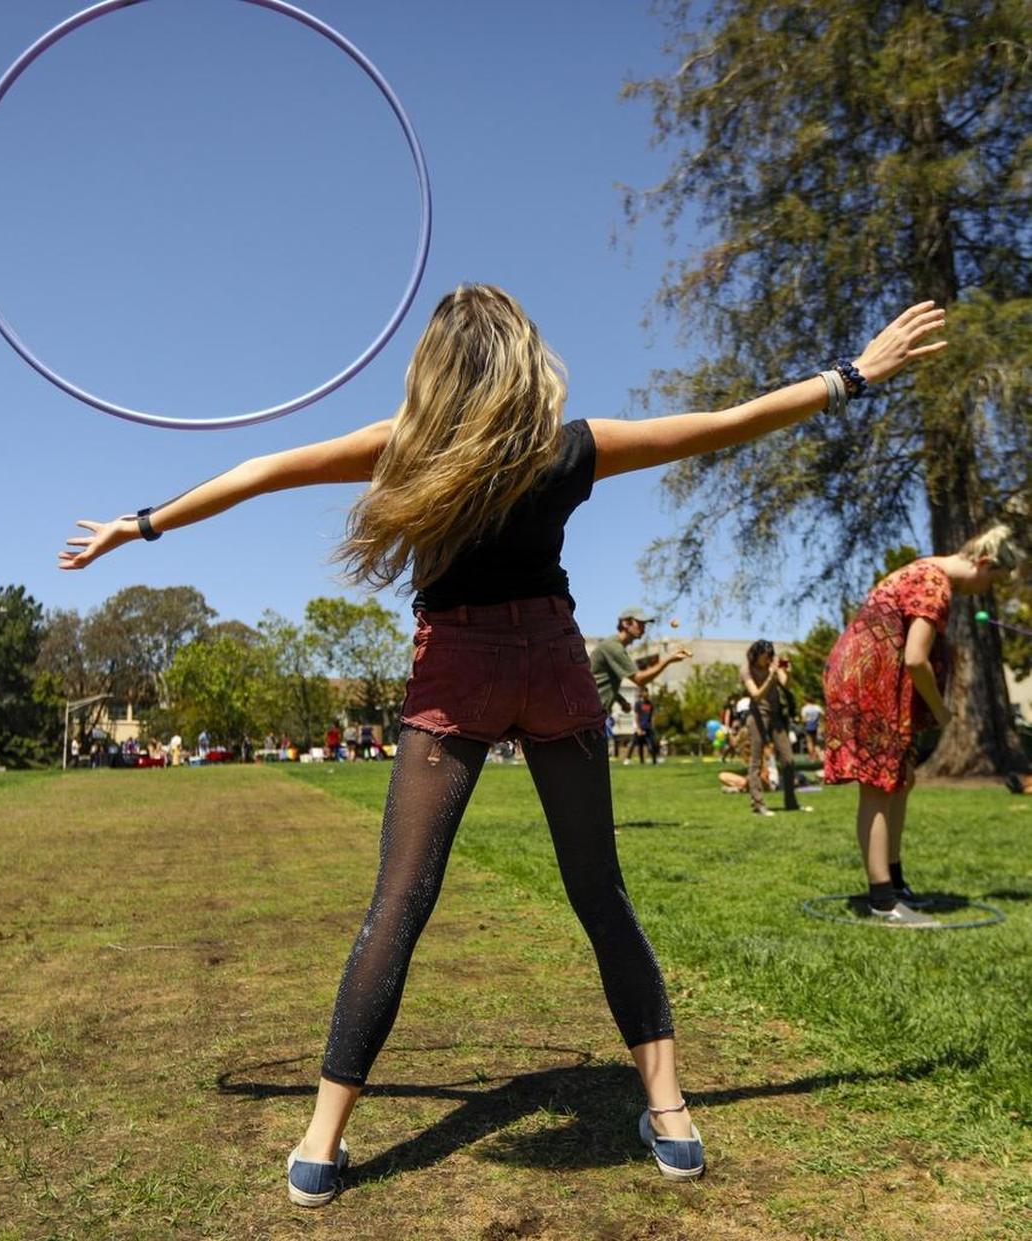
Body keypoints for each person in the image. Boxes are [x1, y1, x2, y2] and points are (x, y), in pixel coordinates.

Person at [58, 285, 946, 1204]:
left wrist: (144, 522)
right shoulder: (566, 448)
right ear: (523, 357)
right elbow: (729, 422)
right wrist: (850, 374)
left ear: (434, 368)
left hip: (459, 665)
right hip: (552, 659)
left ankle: (322, 1139)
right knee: (600, 890)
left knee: (399, 900)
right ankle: (671, 1112)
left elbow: (261, 469)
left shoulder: (409, 447)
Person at [824, 526, 1021, 926]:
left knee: (902, 779)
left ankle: (895, 884)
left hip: (873, 679)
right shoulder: (937, 583)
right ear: (983, 563)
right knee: (878, 786)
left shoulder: (926, 571)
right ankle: (883, 900)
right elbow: (916, 657)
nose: (984, 590)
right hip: (870, 681)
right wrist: (942, 710)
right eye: (991, 581)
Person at [741, 641, 807, 816]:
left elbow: (785, 683)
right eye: (766, 656)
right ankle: (758, 805)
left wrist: (788, 672)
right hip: (757, 716)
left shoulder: (773, 662)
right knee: (756, 761)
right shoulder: (746, 668)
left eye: (771, 655)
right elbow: (755, 695)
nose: (769, 659)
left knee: (788, 760)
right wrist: (771, 677)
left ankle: (791, 803)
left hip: (776, 716)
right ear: (756, 655)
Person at [591, 608, 691, 724]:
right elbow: (640, 679)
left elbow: (598, 681)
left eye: (644, 625)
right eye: (640, 624)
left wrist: (621, 700)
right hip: (592, 717)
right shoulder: (613, 647)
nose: (643, 628)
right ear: (626, 623)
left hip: (596, 715)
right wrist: (668, 659)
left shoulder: (614, 646)